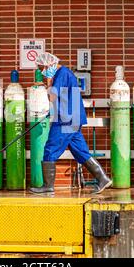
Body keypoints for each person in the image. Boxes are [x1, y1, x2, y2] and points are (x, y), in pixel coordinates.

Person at [29, 52, 112, 194]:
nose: (43, 72)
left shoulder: (62, 74)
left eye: (43, 68)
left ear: (50, 64)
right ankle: (102, 178)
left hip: (65, 120)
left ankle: (48, 187)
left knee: (50, 149)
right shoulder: (65, 73)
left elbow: (52, 97)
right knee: (80, 151)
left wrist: (49, 81)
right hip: (72, 119)